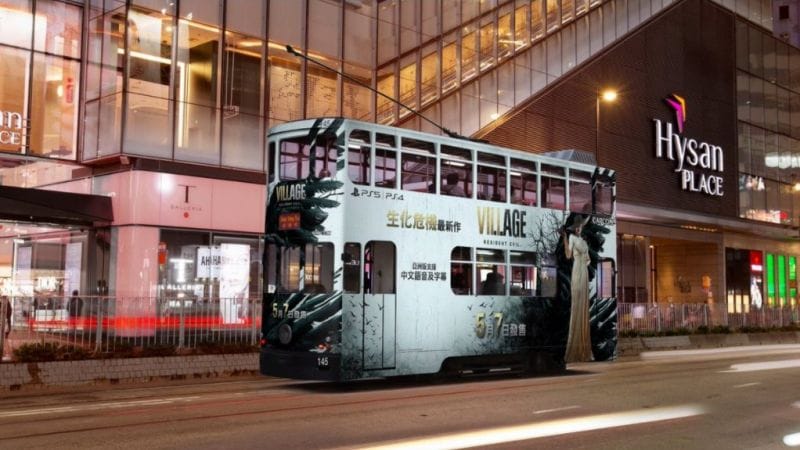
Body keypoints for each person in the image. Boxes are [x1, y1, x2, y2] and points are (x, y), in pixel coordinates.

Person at [562, 214, 593, 363]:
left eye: (581, 226)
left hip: (584, 272)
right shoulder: (573, 239)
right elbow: (568, 255)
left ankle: (584, 348)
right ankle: (575, 347)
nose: (579, 228)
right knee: (577, 305)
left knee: (583, 306)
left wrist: (584, 260)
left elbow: (588, 260)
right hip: (577, 271)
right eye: (577, 227)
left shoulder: (583, 241)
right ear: (574, 229)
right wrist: (564, 239)